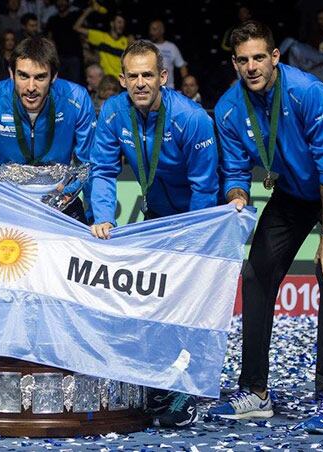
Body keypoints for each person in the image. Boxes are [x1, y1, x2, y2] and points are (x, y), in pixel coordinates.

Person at [208, 21, 323, 434]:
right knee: (257, 273)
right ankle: (256, 392)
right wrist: (236, 197)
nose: (252, 67)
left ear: (275, 57)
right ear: (235, 63)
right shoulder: (230, 108)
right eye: (243, 60)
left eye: (259, 58)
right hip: (294, 189)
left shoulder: (308, 92)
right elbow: (233, 168)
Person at [89, 41, 218, 428]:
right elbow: (103, 169)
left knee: (190, 298)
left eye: (149, 75)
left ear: (163, 76)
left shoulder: (191, 118)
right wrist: (102, 216)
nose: (141, 83)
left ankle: (187, 385)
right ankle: (161, 378)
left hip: (196, 214)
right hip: (157, 213)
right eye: (134, 76)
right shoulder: (113, 112)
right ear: (123, 79)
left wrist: (194, 242)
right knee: (155, 298)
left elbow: (205, 187)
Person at [0, 36, 96, 222]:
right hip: (3, 200)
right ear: (11, 73)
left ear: (54, 76)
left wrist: (95, 219)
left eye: (40, 77)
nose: (31, 87)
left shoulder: (77, 99)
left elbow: (88, 164)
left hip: (61, 201)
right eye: (23, 76)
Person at [74, 4, 131, 78]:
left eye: (123, 23)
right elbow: (76, 27)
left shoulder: (127, 41)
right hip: (105, 80)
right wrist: (89, 10)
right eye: (119, 22)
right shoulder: (100, 37)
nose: (122, 25)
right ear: (112, 23)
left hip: (121, 80)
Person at [148, 20, 188, 89]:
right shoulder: (145, 45)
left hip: (168, 88)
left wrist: (186, 85)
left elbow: (182, 67)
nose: (151, 32)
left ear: (162, 30)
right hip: (150, 88)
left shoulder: (171, 47)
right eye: (150, 29)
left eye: (154, 29)